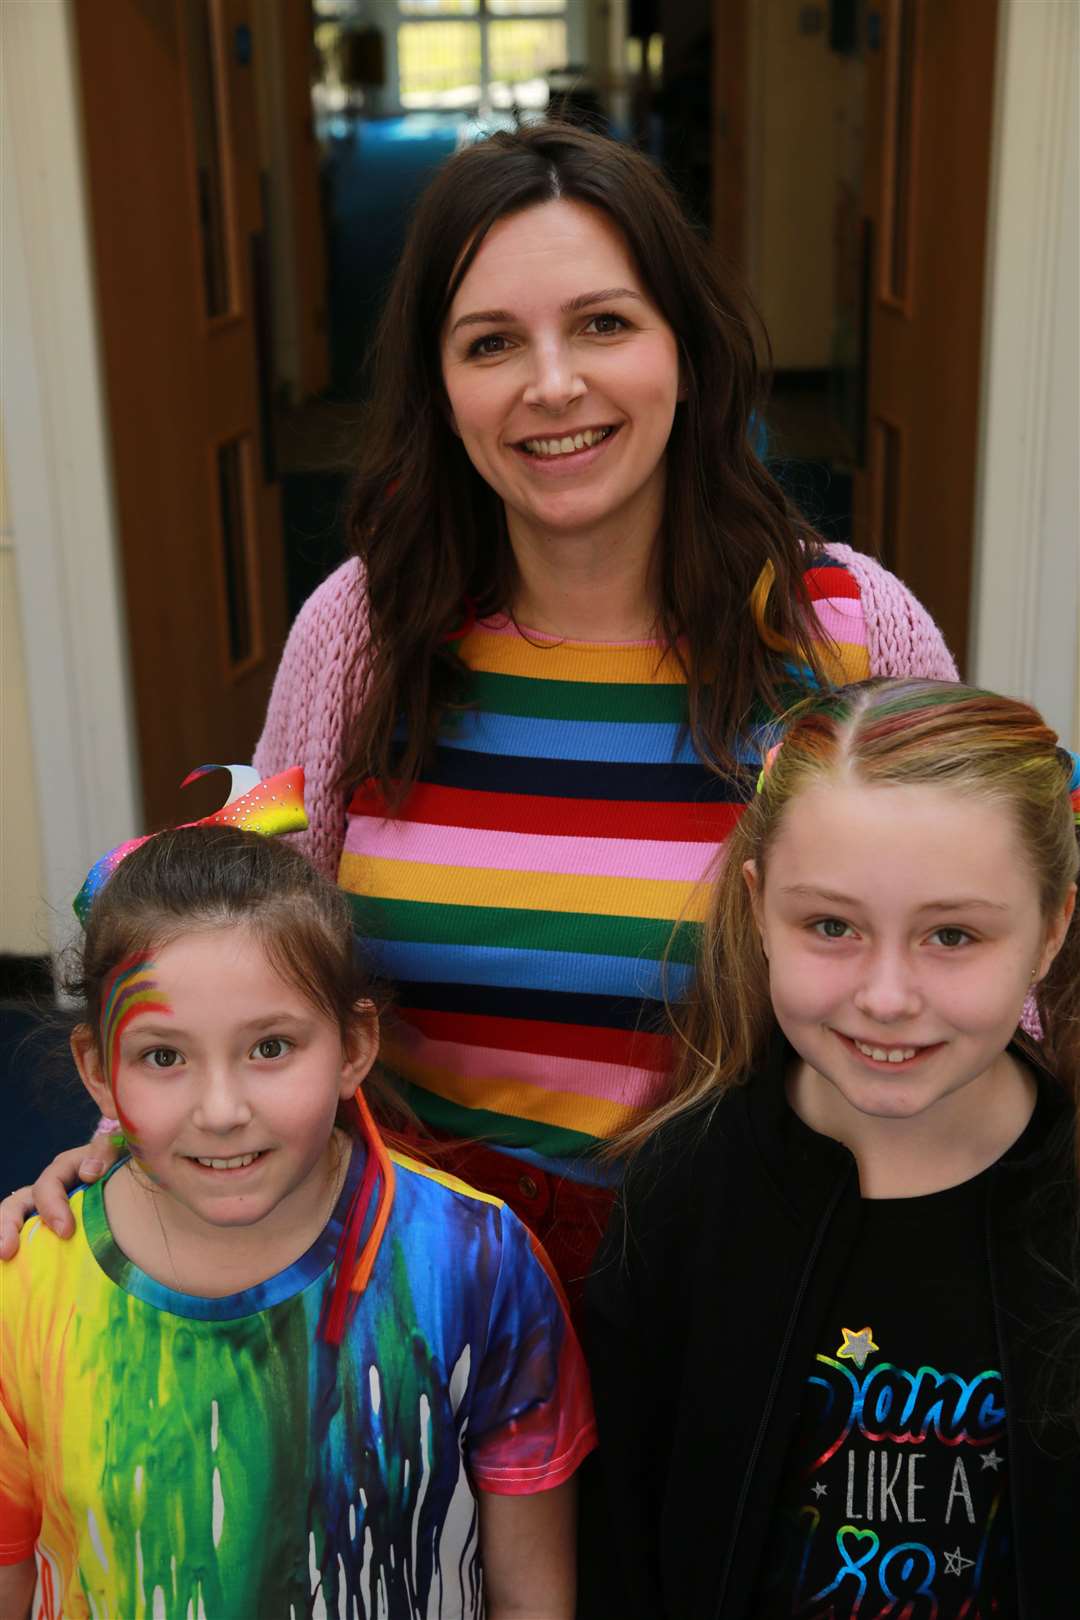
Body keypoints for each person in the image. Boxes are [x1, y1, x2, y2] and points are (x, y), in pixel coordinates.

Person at [0, 123, 957, 1299]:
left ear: (688, 351)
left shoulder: (851, 630)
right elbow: (234, 954)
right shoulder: (365, 629)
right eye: (492, 342)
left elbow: (974, 978)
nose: (552, 385)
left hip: (756, 1296)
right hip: (421, 1304)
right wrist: (137, 1142)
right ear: (440, 387)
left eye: (605, 323)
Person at [0, 823, 594, 1620]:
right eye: (163, 1057)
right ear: (99, 1073)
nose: (221, 1110)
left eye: (270, 1047)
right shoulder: (26, 1289)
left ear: (354, 1046)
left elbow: (534, 1595)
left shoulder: (473, 1263)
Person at [579, 678, 1080, 1619]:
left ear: (1050, 930)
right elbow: (619, 1539)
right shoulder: (684, 1193)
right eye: (832, 927)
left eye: (953, 934)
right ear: (761, 909)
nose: (887, 996)